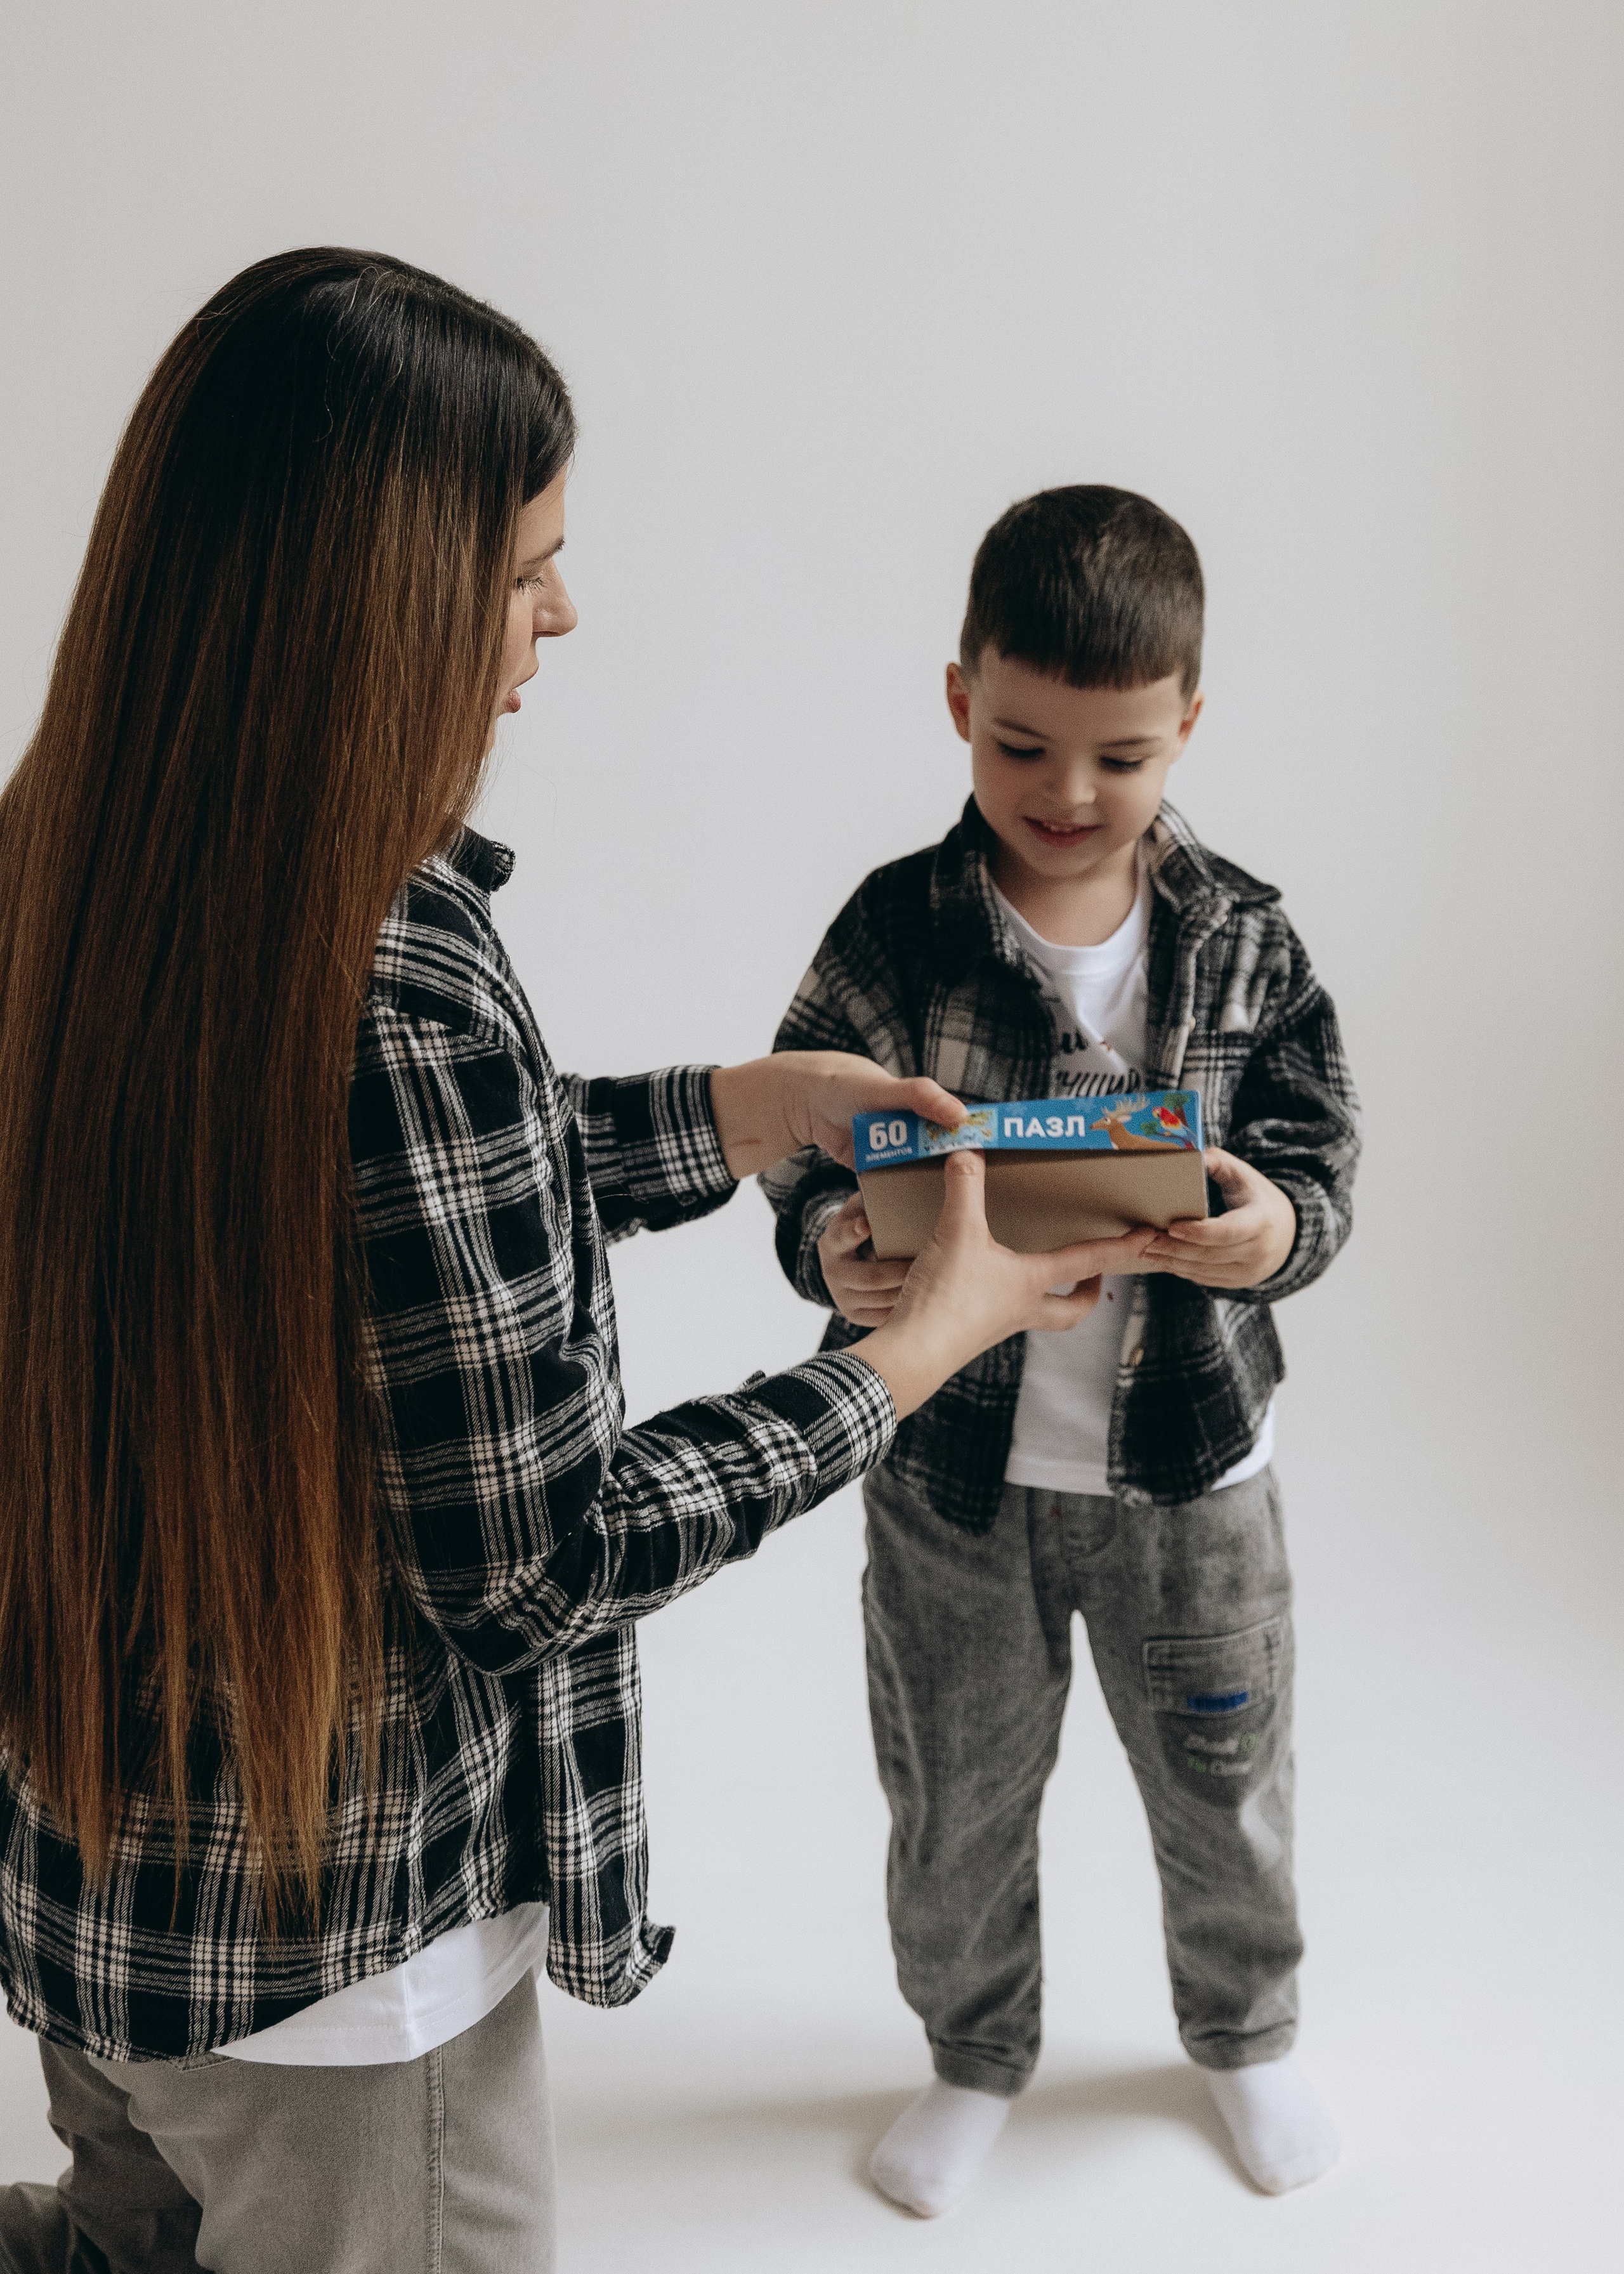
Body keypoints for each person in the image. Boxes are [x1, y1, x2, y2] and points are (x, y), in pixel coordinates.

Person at [0, 261, 1156, 2274]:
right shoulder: (389, 977)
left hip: (113, 1916)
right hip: (348, 1996)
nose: (561, 613)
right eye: (525, 566)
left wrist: (737, 1112)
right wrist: (912, 1358)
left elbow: (372, 1229)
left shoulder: (83, 874)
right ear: (376, 597)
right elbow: (537, 1561)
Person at [763, 486, 1362, 2214]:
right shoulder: (897, 929)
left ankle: (1244, 2033)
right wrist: (834, 1244)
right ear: (961, 699)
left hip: (1195, 1469)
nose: (1069, 792)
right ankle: (971, 2053)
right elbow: (805, 1149)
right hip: (955, 1472)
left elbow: (1319, 1158)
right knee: (954, 1795)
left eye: (1123, 755)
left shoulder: (1243, 935)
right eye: (1022, 744)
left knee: (1226, 1778)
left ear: (1191, 722)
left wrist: (1268, 1232)